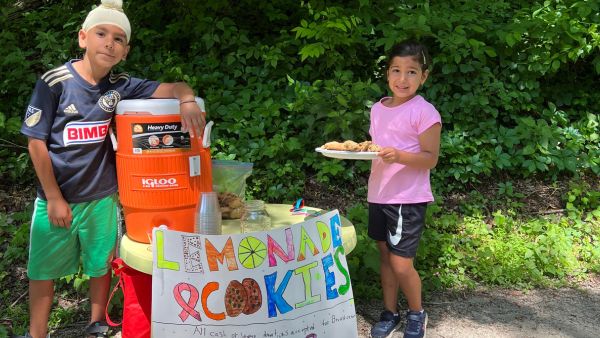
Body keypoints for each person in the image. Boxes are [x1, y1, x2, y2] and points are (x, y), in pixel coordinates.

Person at [17, 1, 205, 337]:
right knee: (42, 270)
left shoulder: (120, 85)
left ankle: (97, 324)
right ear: (83, 38)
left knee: (100, 265)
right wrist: (54, 196)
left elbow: (174, 89)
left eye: (119, 38)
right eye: (102, 33)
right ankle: (37, 333)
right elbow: (36, 143)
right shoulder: (55, 82)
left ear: (125, 50)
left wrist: (187, 100)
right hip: (56, 199)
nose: (109, 43)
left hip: (101, 197)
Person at [367, 40, 441, 338]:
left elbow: (430, 159)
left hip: (407, 198)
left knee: (400, 262)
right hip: (379, 194)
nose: (402, 78)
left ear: (424, 76)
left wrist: (398, 155)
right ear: (387, 74)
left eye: (411, 72)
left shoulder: (425, 112)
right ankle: (390, 312)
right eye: (396, 70)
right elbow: (376, 147)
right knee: (385, 257)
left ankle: (417, 313)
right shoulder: (377, 108)